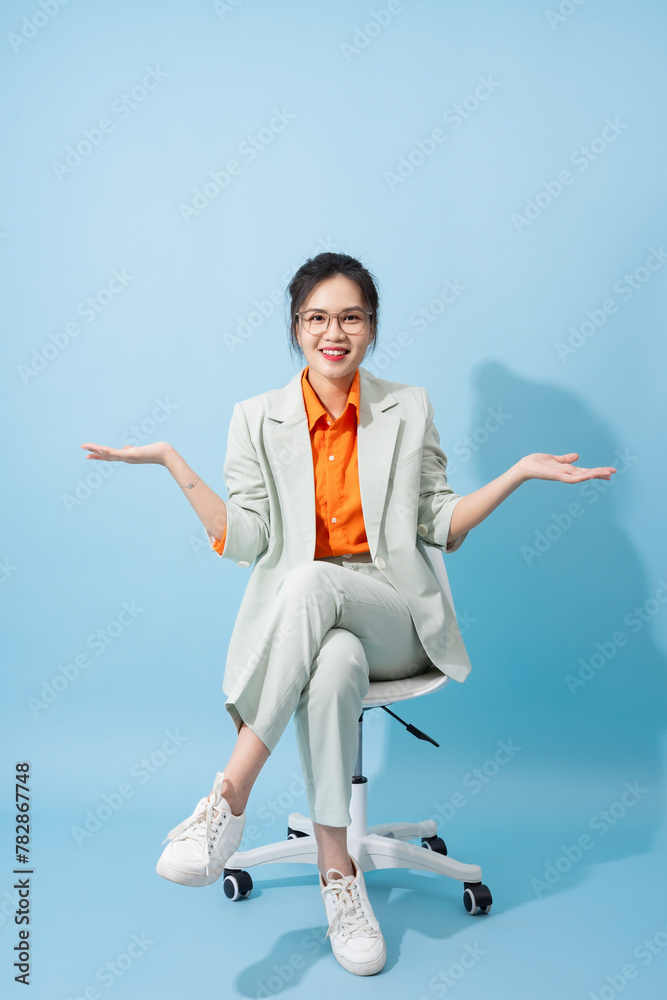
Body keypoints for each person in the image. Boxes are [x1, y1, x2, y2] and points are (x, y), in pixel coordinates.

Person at [81, 252, 617, 977]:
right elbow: (247, 540)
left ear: (370, 328)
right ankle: (340, 877)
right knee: (330, 660)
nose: (334, 332)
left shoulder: (408, 407)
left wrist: (517, 473)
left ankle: (226, 797)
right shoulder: (255, 418)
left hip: (394, 615)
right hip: (311, 627)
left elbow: (442, 526)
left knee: (310, 586)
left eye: (350, 317)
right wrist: (175, 463)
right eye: (316, 318)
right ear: (296, 328)